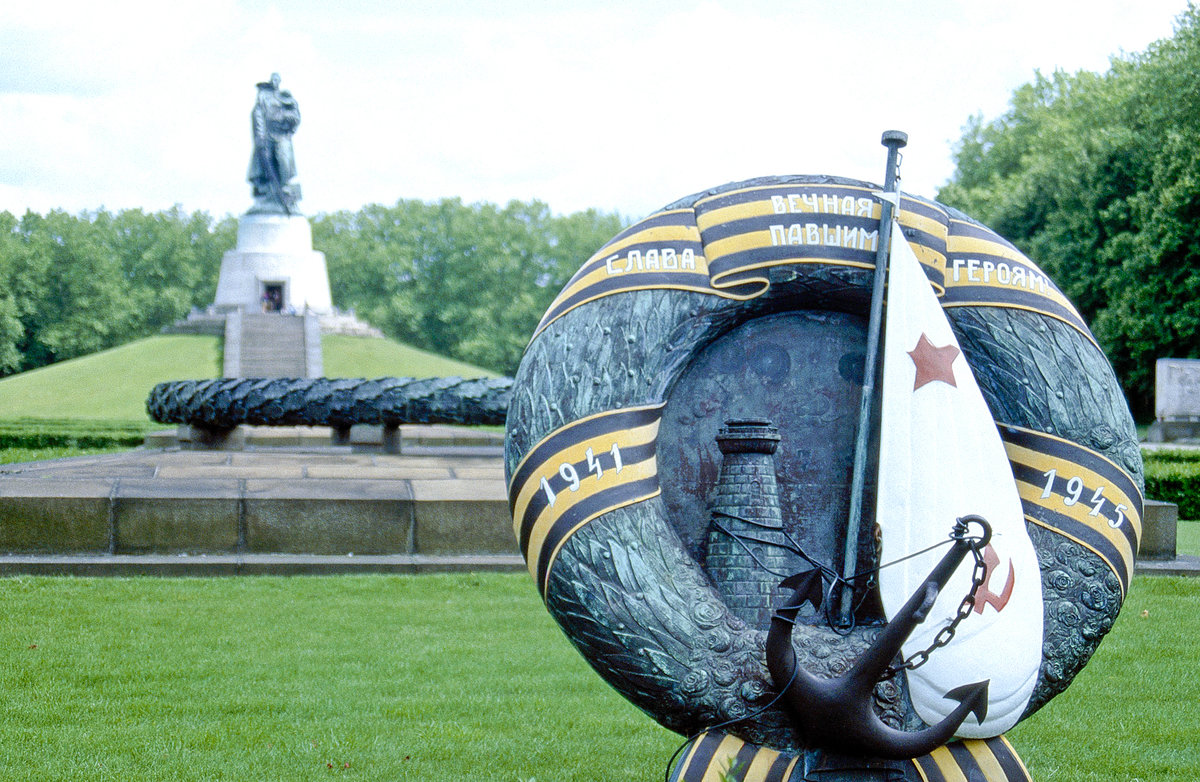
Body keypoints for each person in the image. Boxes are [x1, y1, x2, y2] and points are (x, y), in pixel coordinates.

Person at [247, 73, 302, 213]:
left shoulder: (286, 98)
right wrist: (260, 137)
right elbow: (258, 117)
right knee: (265, 166)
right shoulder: (262, 99)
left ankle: (285, 191)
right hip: (267, 136)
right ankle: (268, 194)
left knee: (284, 159)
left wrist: (284, 118)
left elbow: (296, 117)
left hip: (282, 135)